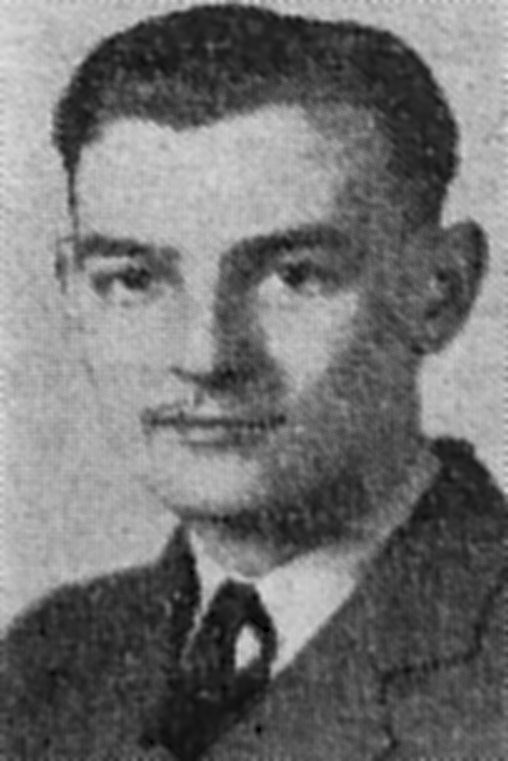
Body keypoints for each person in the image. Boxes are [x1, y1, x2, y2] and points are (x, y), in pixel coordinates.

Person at [4, 4, 506, 759]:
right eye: (135, 279)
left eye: (294, 276)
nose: (206, 355)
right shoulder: (45, 662)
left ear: (440, 291)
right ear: (73, 290)